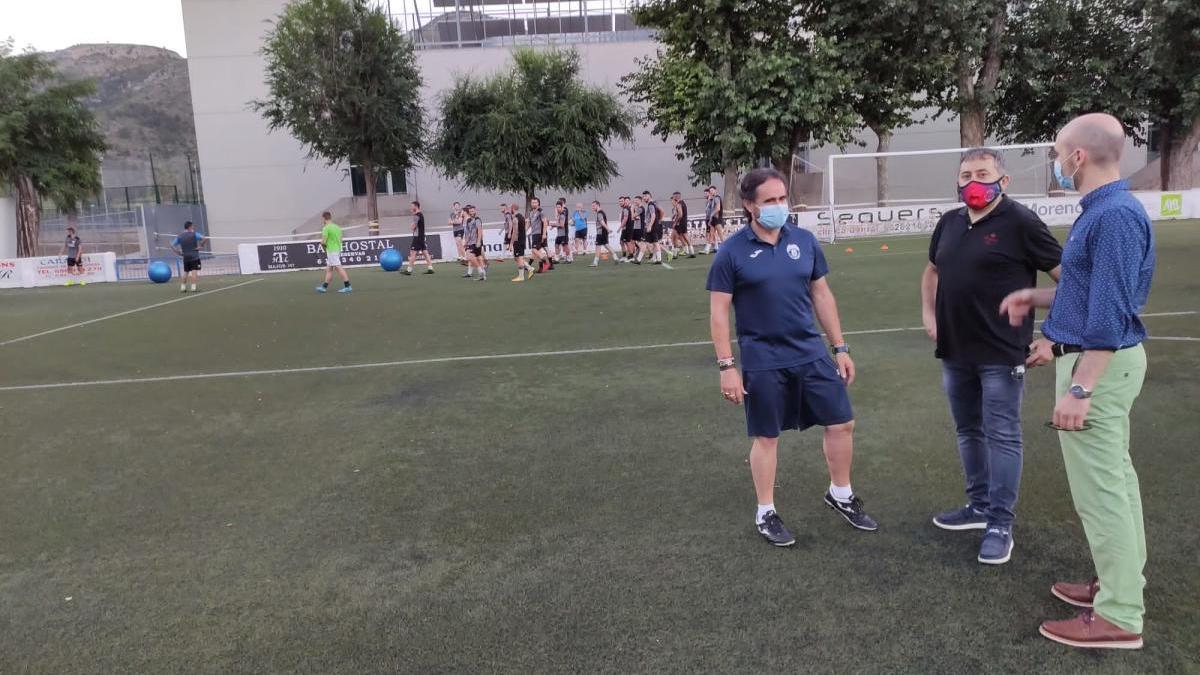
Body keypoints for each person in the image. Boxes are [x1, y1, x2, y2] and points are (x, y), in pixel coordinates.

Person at [1001, 113, 1156, 650]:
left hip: (1101, 368)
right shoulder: (1105, 210)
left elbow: (1110, 311)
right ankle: (1118, 586)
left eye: (1057, 153)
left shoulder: (1112, 215)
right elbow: (1089, 291)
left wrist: (1081, 387)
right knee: (1118, 481)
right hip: (1099, 358)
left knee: (1103, 493)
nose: (1056, 162)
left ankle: (1119, 615)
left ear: (1079, 157)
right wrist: (1038, 299)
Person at [707, 167, 877, 547]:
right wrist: (727, 367)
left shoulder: (804, 240)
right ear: (750, 205)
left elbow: (822, 295)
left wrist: (841, 347)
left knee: (842, 422)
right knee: (767, 436)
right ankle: (765, 511)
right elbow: (719, 313)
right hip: (762, 358)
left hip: (810, 352)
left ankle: (841, 493)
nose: (779, 206)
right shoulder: (731, 252)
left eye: (782, 198)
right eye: (769, 201)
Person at [921, 148, 1062, 565]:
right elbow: (932, 271)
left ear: (1003, 181)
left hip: (1001, 352)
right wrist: (929, 313)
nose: (972, 181)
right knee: (968, 431)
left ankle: (1001, 523)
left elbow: (1069, 279)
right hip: (955, 350)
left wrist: (1053, 337)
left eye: (982, 173)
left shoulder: (1021, 222)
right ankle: (978, 506)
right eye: (965, 175)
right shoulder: (949, 223)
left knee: (1002, 435)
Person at [315, 211, 352, 293]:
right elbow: (341, 239)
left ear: (324, 218)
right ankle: (324, 287)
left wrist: (324, 247)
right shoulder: (337, 227)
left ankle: (348, 286)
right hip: (337, 249)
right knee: (329, 269)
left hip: (332, 251)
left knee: (338, 268)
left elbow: (323, 242)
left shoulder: (326, 228)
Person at [171, 221, 208, 292]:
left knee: (186, 272)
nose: (193, 227)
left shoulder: (180, 236)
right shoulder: (194, 234)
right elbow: (205, 238)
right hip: (194, 256)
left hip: (186, 256)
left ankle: (183, 287)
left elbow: (172, 245)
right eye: (192, 226)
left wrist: (177, 252)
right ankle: (193, 287)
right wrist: (200, 246)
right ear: (190, 227)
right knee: (194, 271)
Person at [403, 201, 434, 275]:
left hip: (418, 237)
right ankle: (430, 268)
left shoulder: (417, 215)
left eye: (412, 206)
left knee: (413, 252)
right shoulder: (420, 214)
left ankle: (409, 270)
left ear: (416, 206)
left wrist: (411, 226)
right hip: (421, 236)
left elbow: (413, 227)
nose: (411, 207)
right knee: (425, 252)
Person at [510, 201, 535, 282]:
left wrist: (511, 243)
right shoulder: (522, 217)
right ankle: (529, 268)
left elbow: (515, 232)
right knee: (516, 257)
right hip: (522, 239)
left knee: (519, 258)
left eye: (511, 208)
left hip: (518, 240)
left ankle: (521, 276)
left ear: (513, 209)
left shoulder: (515, 218)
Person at [527, 198, 553, 273]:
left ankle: (545, 262)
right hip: (534, 233)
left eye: (535, 202)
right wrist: (524, 231)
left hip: (539, 234)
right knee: (538, 250)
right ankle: (542, 267)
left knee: (534, 250)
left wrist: (544, 234)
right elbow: (529, 223)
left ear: (538, 203)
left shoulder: (541, 212)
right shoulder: (531, 212)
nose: (534, 204)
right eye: (532, 202)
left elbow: (545, 222)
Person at [461, 205, 487, 281]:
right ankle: (483, 275)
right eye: (470, 211)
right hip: (471, 242)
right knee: (478, 257)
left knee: (470, 257)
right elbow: (468, 233)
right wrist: (466, 242)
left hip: (476, 242)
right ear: (469, 212)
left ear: (475, 211)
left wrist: (479, 241)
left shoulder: (477, 219)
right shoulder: (469, 221)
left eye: (473, 211)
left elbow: (479, 231)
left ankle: (480, 271)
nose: (472, 212)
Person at [590, 200, 615, 267]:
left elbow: (602, 222)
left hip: (601, 232)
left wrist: (608, 229)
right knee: (606, 245)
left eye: (593, 206)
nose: (592, 207)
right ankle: (616, 257)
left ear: (598, 205)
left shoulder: (599, 213)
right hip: (604, 232)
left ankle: (595, 262)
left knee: (598, 246)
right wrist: (607, 229)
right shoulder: (602, 212)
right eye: (592, 206)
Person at [671, 191, 696, 258]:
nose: (673, 198)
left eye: (673, 196)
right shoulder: (683, 203)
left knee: (674, 237)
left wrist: (675, 222)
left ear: (676, 197)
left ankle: (675, 254)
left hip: (680, 223)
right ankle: (692, 252)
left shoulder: (679, 204)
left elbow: (680, 214)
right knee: (685, 237)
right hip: (684, 222)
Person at [704, 185, 725, 254]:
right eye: (710, 191)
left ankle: (726, 248)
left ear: (715, 190)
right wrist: (710, 218)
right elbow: (708, 209)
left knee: (720, 235)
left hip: (717, 219)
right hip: (713, 219)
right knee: (711, 234)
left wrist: (712, 214)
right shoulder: (712, 199)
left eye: (712, 190)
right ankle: (707, 249)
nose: (711, 192)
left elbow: (718, 208)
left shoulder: (717, 198)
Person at [553, 199, 572, 263]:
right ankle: (557, 258)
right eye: (557, 207)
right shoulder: (559, 214)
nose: (557, 208)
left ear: (562, 207)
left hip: (564, 232)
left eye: (559, 207)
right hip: (559, 233)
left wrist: (553, 225)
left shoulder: (562, 214)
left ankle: (569, 258)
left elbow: (562, 225)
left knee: (565, 246)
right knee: (556, 244)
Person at [630, 195, 646, 264]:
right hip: (636, 228)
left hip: (640, 228)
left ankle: (639, 259)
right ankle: (635, 258)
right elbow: (633, 218)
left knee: (641, 244)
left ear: (640, 200)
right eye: (634, 200)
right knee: (634, 242)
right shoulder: (638, 208)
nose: (635, 202)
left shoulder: (640, 208)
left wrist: (631, 209)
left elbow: (632, 216)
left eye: (636, 200)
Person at [618, 196, 634, 262]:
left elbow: (625, 219)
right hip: (625, 228)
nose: (620, 202)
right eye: (619, 201)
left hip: (627, 228)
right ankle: (625, 256)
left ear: (625, 201)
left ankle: (631, 257)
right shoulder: (624, 208)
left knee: (628, 242)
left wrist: (620, 227)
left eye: (621, 201)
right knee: (622, 242)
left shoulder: (626, 209)